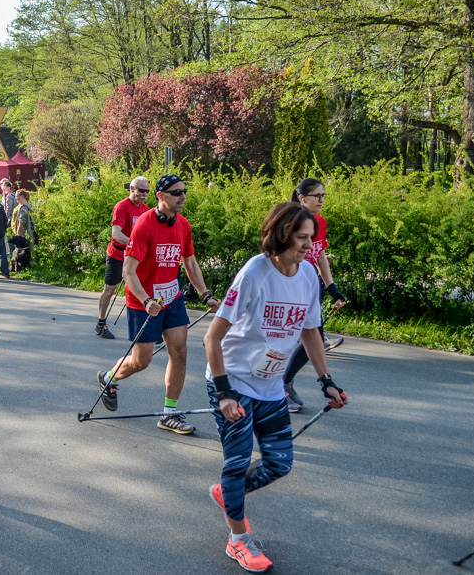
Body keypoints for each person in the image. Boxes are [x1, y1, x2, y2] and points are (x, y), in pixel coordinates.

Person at [203, 201, 348, 573]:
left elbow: (311, 331)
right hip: (233, 381)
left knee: (280, 463)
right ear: (282, 235)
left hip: (270, 386)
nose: (309, 246)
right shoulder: (255, 271)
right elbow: (212, 337)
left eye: (311, 239)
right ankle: (238, 541)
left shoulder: (309, 278)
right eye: (302, 238)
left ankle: (227, 493)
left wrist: (326, 380)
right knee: (236, 463)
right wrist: (223, 393)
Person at [97, 174, 220, 434]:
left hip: (172, 297)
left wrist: (205, 294)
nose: (183, 196)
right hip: (143, 301)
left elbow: (190, 262)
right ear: (161, 196)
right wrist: (146, 299)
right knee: (142, 361)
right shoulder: (144, 225)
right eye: (177, 192)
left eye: (184, 191)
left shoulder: (183, 225)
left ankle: (169, 413)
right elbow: (128, 271)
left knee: (180, 352)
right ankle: (108, 377)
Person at [281, 178, 347, 412]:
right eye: (316, 195)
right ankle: (279, 386)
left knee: (313, 338)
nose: (321, 200)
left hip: (310, 286)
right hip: (288, 286)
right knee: (298, 338)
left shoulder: (320, 222)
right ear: (302, 198)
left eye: (323, 195)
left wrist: (332, 287)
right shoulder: (288, 222)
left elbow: (319, 256)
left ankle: (284, 384)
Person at [96, 177, 151, 340]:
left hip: (135, 256)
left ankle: (143, 326)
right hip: (117, 253)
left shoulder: (145, 208)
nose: (144, 194)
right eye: (141, 190)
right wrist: (135, 243)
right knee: (110, 289)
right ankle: (101, 323)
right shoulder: (121, 206)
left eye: (147, 191)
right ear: (132, 189)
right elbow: (116, 234)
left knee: (140, 290)